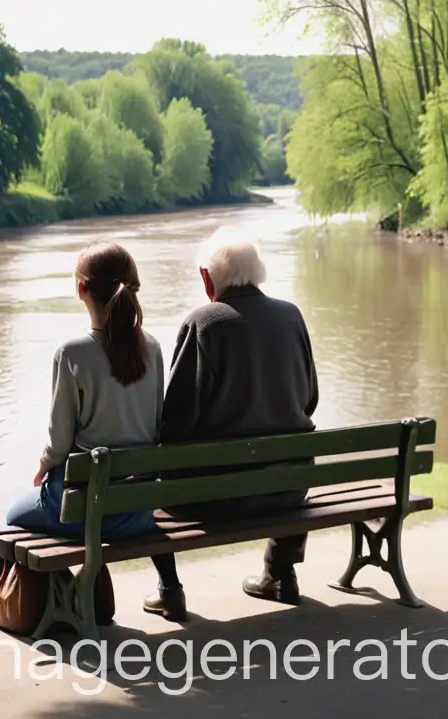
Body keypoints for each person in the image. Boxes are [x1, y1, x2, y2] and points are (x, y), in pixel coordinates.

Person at [143, 226, 319, 621]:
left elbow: (177, 422)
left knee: (144, 484)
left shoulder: (206, 323)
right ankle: (279, 571)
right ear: (258, 273)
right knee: (284, 453)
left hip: (217, 497)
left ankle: (169, 589)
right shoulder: (292, 316)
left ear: (207, 279)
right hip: (288, 487)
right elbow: (309, 398)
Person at [6, 242, 165, 539]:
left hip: (88, 508)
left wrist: (43, 466)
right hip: (137, 507)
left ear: (81, 289)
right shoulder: (152, 347)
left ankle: (76, 585)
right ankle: (168, 585)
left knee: (13, 515)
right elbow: (156, 423)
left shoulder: (72, 354)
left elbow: (59, 443)